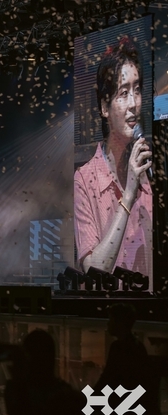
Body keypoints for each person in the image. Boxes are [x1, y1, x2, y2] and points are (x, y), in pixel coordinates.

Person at [74, 36, 152, 285]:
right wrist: (129, 192)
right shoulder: (86, 179)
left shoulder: (151, 172)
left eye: (137, 90)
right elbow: (94, 270)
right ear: (104, 107)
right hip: (112, 313)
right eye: (123, 93)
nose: (133, 104)